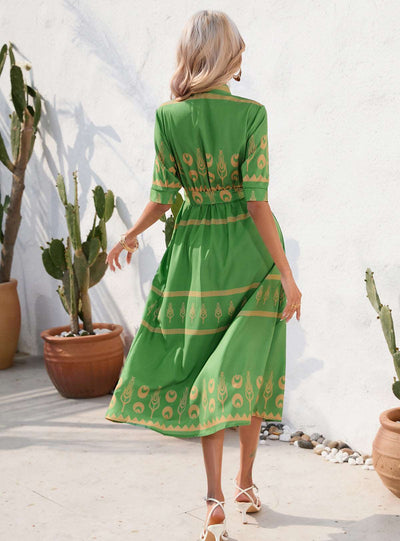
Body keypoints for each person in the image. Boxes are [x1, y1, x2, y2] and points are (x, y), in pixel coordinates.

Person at [105, 9, 301, 541]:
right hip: (251, 257)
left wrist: (128, 234)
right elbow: (257, 203)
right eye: (239, 47)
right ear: (227, 56)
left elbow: (163, 197)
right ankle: (245, 484)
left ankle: (215, 497)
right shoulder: (253, 114)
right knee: (248, 369)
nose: (243, 57)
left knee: (208, 375)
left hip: (195, 259)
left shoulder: (170, 117)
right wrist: (286, 274)